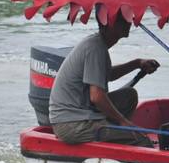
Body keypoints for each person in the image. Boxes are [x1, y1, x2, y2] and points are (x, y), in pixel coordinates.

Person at [48, 9, 159, 146]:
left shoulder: (97, 44)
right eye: (123, 19)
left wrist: (137, 63)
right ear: (109, 23)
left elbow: (108, 75)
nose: (129, 22)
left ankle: (116, 136)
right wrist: (122, 121)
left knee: (128, 96)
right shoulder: (95, 48)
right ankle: (122, 139)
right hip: (73, 124)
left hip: (82, 113)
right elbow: (97, 96)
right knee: (140, 140)